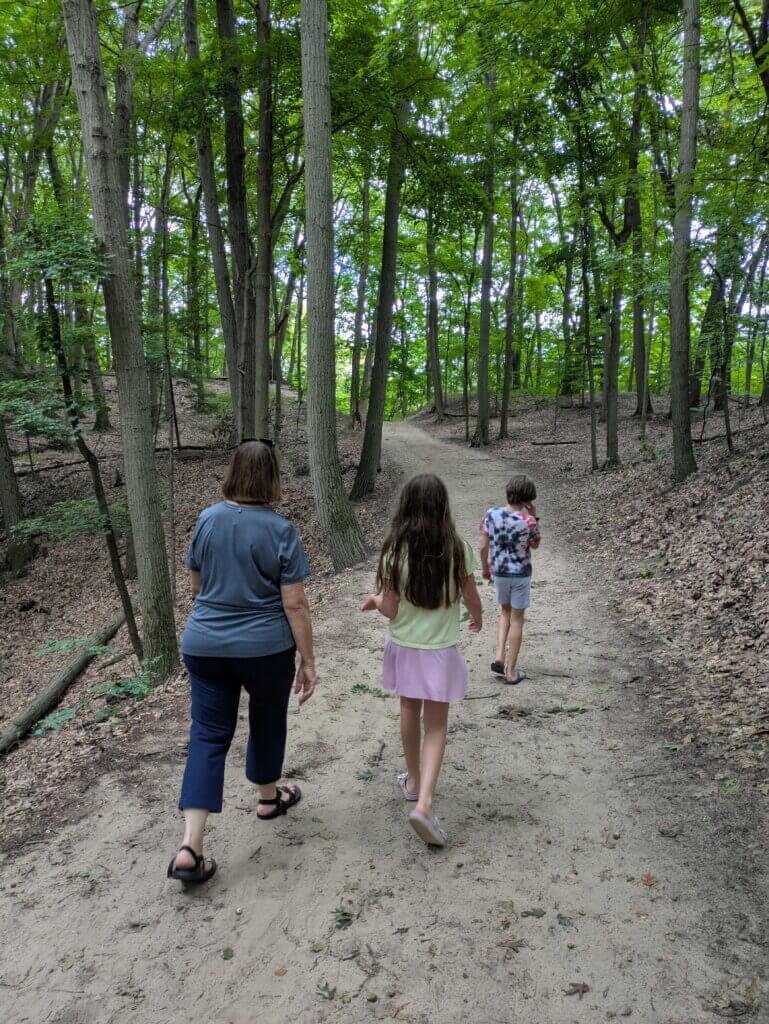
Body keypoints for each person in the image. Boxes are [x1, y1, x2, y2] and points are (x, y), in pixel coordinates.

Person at [167, 439, 317, 885]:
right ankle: (268, 798)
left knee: (208, 735)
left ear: (232, 472)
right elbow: (295, 604)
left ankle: (190, 846)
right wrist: (307, 660)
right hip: (265, 649)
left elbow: (196, 584)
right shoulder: (280, 530)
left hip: (204, 645)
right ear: (273, 477)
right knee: (268, 719)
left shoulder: (207, 520)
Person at [362, 474, 482, 848]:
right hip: (441, 652)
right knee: (436, 726)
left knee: (408, 712)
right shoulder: (457, 548)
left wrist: (375, 601)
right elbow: (471, 593)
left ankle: (412, 781)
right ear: (443, 507)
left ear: (406, 507)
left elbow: (392, 608)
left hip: (405, 648)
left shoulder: (394, 551)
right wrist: (477, 618)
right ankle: (425, 802)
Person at [480, 474, 541, 686]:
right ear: (527, 500)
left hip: (500, 573)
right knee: (517, 619)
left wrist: (485, 568)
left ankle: (499, 655)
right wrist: (535, 517)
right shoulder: (528, 521)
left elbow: (482, 546)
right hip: (521, 574)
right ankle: (511, 672)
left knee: (504, 612)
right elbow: (535, 544)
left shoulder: (491, 514)